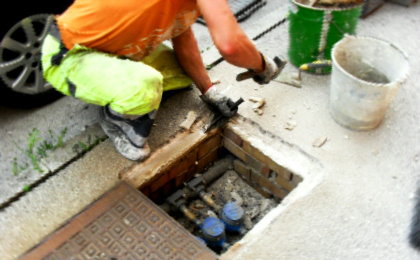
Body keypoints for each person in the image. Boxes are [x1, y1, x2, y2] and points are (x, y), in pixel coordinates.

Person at [41, 0, 281, 161]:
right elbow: (231, 46)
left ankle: (115, 87)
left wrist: (209, 91)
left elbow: (182, 33)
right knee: (145, 87)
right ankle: (114, 120)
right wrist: (263, 66)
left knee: (181, 73)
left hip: (108, 49)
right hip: (69, 53)